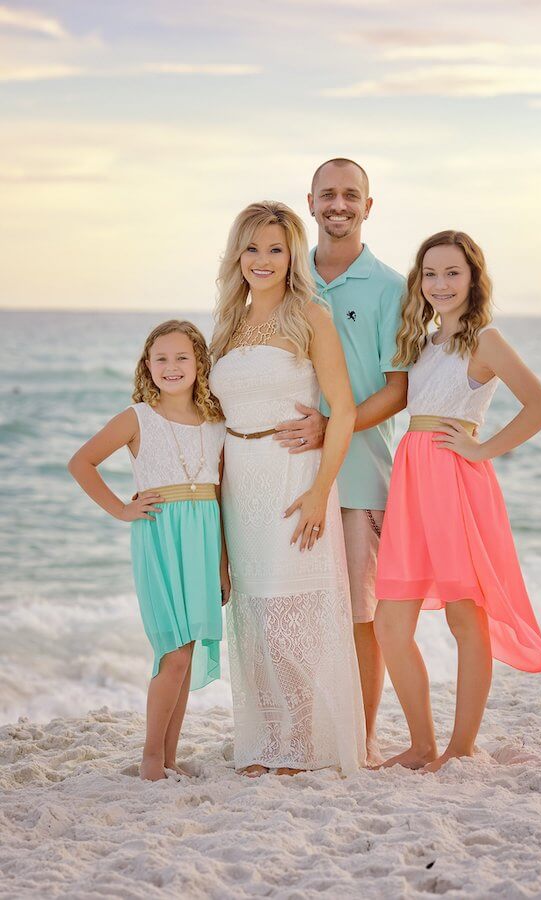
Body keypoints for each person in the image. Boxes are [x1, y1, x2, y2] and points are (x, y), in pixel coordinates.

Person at [374, 230, 541, 773]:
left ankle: (461, 746)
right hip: (411, 481)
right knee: (390, 624)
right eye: (430, 273)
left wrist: (480, 449)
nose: (440, 284)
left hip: (455, 479)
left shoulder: (487, 341)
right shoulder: (422, 343)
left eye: (453, 272)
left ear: (473, 278)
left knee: (464, 620)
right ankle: (422, 744)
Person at [209, 200, 366, 777]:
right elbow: (213, 420)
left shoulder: (311, 316)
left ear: (292, 254)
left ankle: (301, 744)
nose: (263, 259)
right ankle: (270, 740)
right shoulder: (227, 322)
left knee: (287, 619)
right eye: (252, 247)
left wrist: (322, 491)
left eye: (275, 248)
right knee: (252, 620)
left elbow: (344, 410)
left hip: (293, 477)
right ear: (238, 254)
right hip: (239, 480)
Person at [273, 158, 407, 766]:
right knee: (297, 609)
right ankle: (301, 732)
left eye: (351, 194)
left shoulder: (391, 287)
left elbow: (397, 388)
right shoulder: (284, 277)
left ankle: (365, 734)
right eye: (328, 194)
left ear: (369, 206)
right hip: (288, 473)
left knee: (361, 613)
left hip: (360, 475)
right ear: (310, 202)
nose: (339, 204)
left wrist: (334, 425)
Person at [68, 320, 228, 781]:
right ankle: (150, 759)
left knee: (188, 649)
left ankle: (170, 756)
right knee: (172, 652)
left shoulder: (216, 422)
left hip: (203, 537)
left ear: (199, 363)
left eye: (182, 358)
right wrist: (120, 509)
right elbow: (81, 462)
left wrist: (222, 564)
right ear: (147, 365)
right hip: (159, 536)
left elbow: (219, 494)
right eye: (161, 358)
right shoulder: (137, 417)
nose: (171, 367)